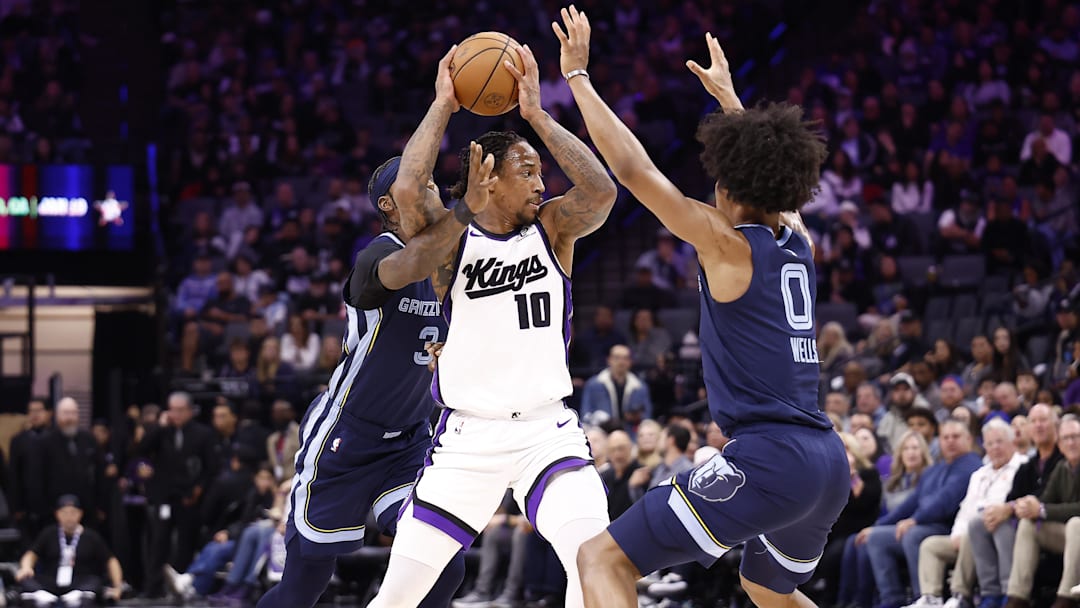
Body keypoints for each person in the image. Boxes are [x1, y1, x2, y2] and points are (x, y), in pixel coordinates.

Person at [556, 13, 848, 607]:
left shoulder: (726, 243)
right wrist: (731, 101)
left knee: (602, 558)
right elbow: (769, 171)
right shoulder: (798, 238)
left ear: (730, 189)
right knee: (765, 586)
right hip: (826, 462)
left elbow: (635, 171)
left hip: (771, 458)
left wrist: (578, 77)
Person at [366, 39, 618, 608]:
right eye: (527, 171)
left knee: (594, 564)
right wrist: (443, 104)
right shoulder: (451, 242)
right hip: (467, 441)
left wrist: (537, 115)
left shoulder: (553, 229)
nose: (541, 183)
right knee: (397, 596)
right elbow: (407, 190)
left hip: (545, 432)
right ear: (489, 177)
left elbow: (602, 191)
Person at [256, 48, 505, 608]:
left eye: (442, 186)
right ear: (392, 205)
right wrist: (445, 110)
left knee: (443, 566)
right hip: (348, 436)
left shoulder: (460, 258)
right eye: (424, 189)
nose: (437, 191)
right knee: (304, 585)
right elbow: (414, 262)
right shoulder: (379, 257)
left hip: (411, 439)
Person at [904, 418, 1023, 608]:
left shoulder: (1022, 467)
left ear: (1012, 442)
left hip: (999, 530)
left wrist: (965, 532)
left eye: (999, 442)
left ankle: (960, 595)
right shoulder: (980, 474)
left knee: (972, 530)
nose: (995, 447)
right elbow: (965, 509)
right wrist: (956, 534)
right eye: (990, 443)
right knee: (930, 545)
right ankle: (930, 598)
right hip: (967, 532)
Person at [138, 391, 215, 599]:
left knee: (185, 542)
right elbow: (141, 449)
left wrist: (199, 488)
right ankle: (153, 588)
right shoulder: (162, 431)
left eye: (180, 410)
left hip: (189, 496)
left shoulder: (203, 433)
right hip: (164, 495)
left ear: (190, 411)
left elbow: (211, 467)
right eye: (172, 410)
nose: (176, 414)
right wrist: (159, 426)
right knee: (158, 541)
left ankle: (182, 586)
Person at [1003, 415, 1080, 608]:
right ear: (1060, 444)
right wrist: (1029, 505)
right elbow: (1044, 501)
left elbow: (1048, 508)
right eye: (1066, 438)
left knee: (1075, 523)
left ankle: (1066, 598)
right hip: (1071, 537)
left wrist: (1042, 509)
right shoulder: (1062, 467)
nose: (1071, 442)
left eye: (1076, 436)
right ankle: (1017, 597)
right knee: (1028, 524)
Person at [16, 495, 123, 608]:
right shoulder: (48, 533)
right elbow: (31, 554)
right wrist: (26, 567)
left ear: (80, 514)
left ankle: (78, 597)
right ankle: (41, 596)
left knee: (94, 582)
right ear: (57, 514)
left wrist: (117, 587)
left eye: (73, 512)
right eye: (65, 513)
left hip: (80, 582)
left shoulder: (91, 536)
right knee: (27, 583)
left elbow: (111, 560)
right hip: (51, 582)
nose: (69, 517)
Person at [579, 345, 653, 432]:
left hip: (631, 434)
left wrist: (636, 417)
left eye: (625, 358)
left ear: (630, 362)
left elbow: (647, 416)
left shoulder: (640, 387)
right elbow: (585, 414)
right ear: (609, 360)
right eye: (617, 358)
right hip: (602, 433)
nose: (621, 362)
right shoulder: (594, 384)